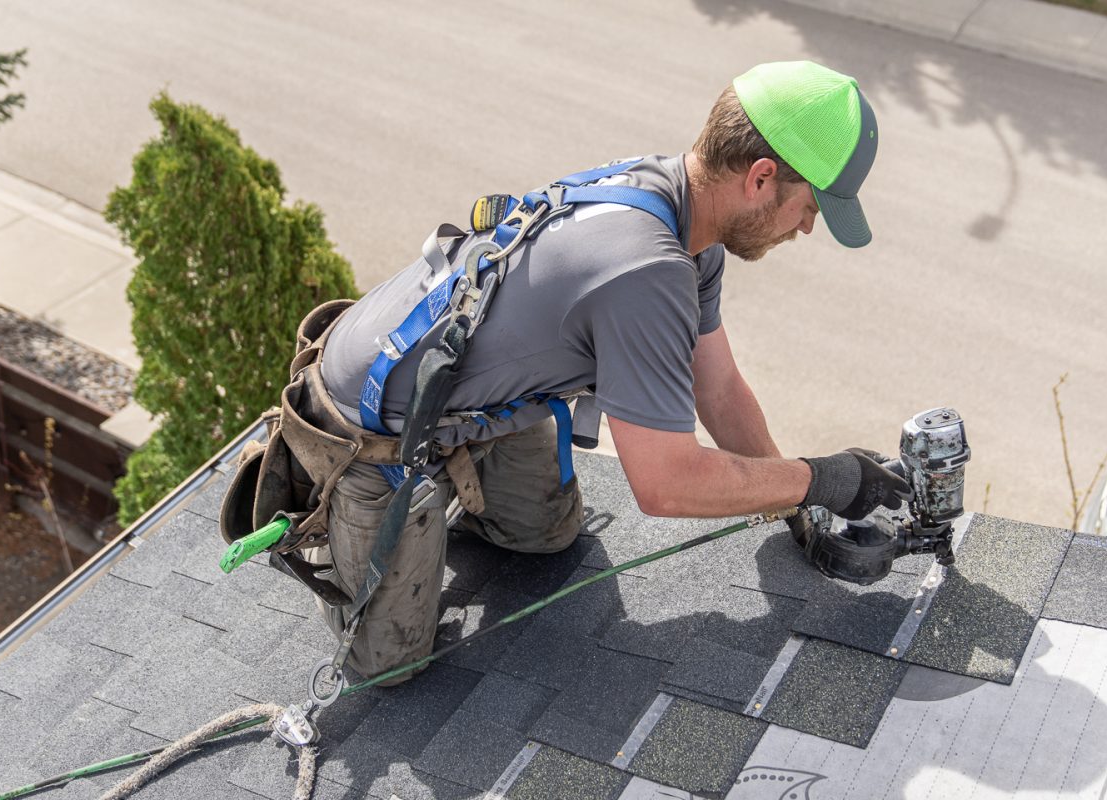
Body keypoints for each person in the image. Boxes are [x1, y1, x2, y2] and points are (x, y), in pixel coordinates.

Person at [298, 60, 908, 682]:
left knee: (548, 538)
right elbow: (666, 484)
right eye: (810, 208)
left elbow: (719, 390)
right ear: (761, 178)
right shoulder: (647, 271)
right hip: (363, 422)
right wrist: (818, 479)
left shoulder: (678, 207)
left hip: (452, 387)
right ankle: (343, 523)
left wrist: (798, 508)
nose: (807, 228)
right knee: (385, 670)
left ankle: (451, 476)